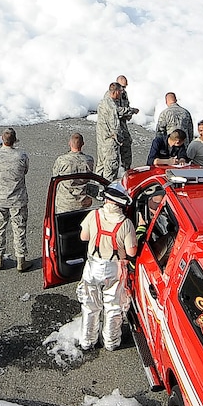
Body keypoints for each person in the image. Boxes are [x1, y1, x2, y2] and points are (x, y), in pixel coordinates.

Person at [76, 187, 139, 351]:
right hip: (114, 269)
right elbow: (132, 251)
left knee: (90, 305)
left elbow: (84, 237)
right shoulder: (126, 224)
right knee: (113, 307)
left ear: (105, 200)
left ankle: (87, 341)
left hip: (93, 266)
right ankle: (111, 342)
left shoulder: (93, 215)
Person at [0, 128, 31, 271]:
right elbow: (26, 171)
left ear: (1, 139)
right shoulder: (22, 156)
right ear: (15, 140)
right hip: (17, 199)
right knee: (19, 229)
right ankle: (21, 259)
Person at [94, 82, 137, 182]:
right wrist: (120, 139)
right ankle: (106, 189)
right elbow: (114, 125)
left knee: (102, 163)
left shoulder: (109, 101)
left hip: (104, 138)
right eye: (121, 90)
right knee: (111, 165)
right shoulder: (110, 104)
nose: (122, 93)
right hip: (109, 139)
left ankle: (98, 185)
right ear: (116, 91)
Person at [51, 133, 97, 213]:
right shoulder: (89, 160)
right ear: (83, 144)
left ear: (69, 143)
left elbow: (55, 176)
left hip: (65, 202)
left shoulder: (62, 160)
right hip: (83, 201)